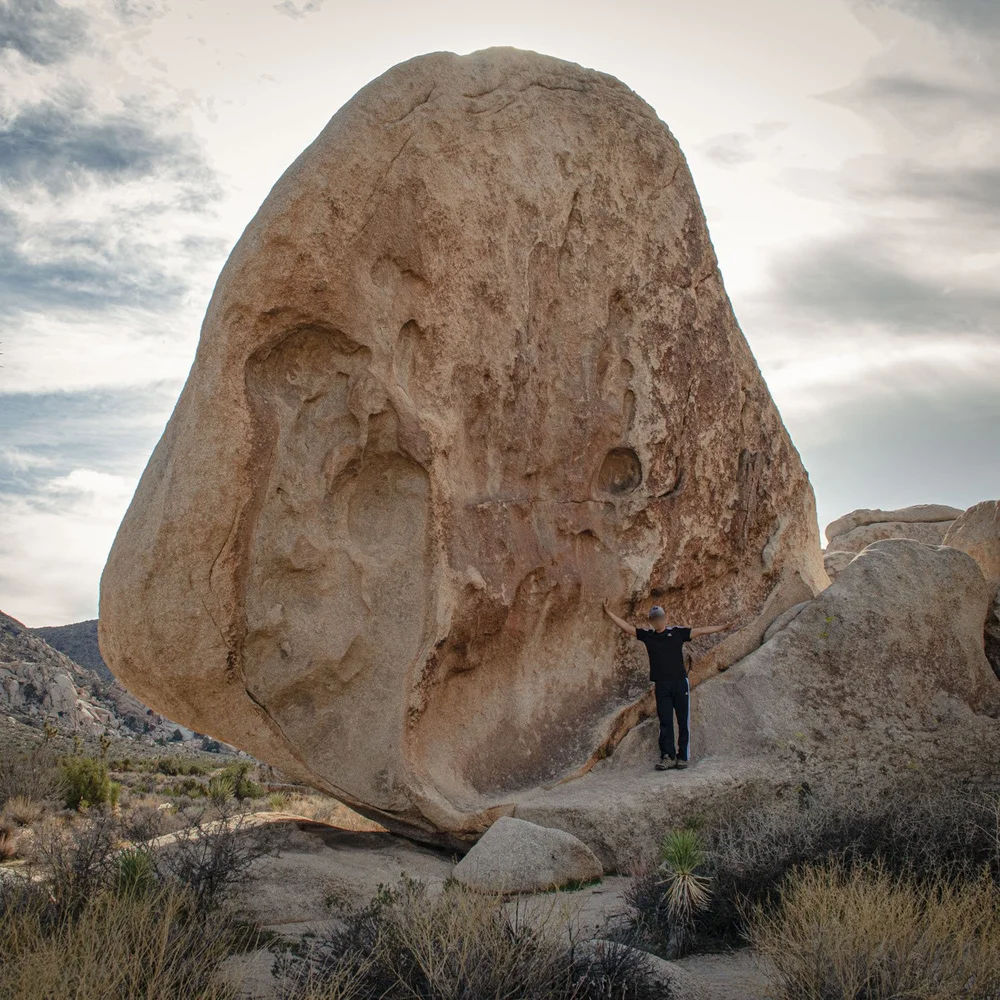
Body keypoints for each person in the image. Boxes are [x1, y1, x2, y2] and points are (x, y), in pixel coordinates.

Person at [603, 600, 736, 770]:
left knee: (682, 720)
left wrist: (723, 627)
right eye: (654, 618)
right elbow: (627, 628)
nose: (658, 621)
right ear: (651, 621)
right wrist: (609, 612)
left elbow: (701, 631)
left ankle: (683, 757)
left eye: (660, 618)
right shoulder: (648, 636)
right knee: (665, 721)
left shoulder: (677, 633)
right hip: (662, 685)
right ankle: (668, 757)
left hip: (680, 682)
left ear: (666, 618)